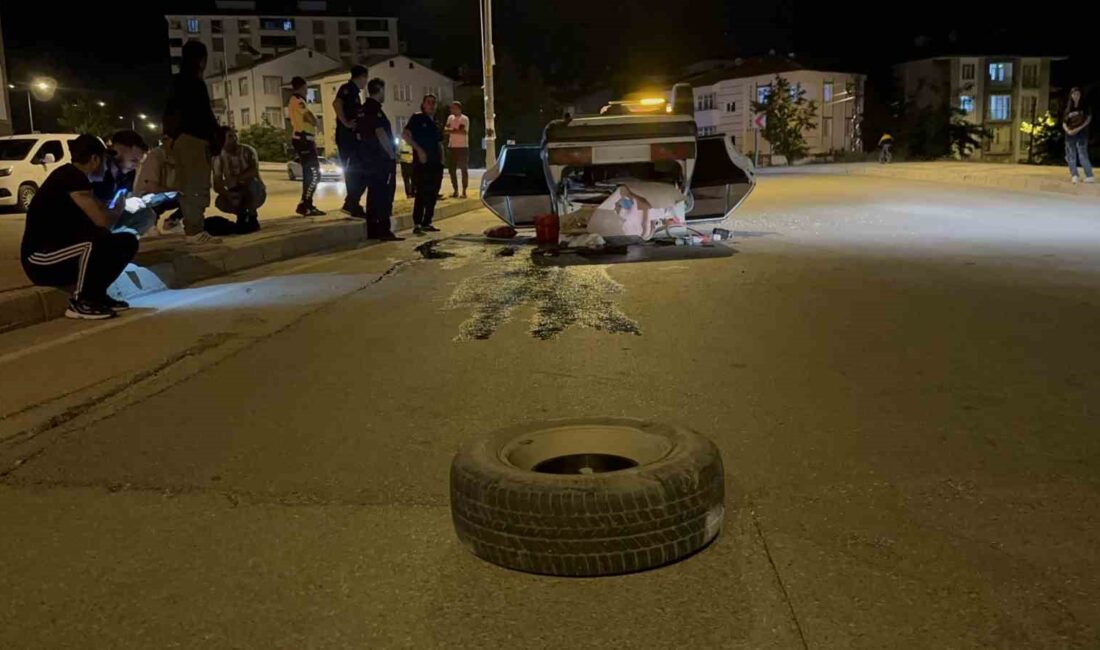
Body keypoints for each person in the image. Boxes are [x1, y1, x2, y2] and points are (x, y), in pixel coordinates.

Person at [20, 134, 138, 320]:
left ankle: (97, 295)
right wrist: (118, 210)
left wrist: (112, 209)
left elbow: (99, 217)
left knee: (127, 241)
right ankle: (83, 301)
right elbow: (102, 221)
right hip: (40, 259)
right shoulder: (70, 177)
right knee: (97, 241)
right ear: (94, 159)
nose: (107, 167)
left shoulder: (79, 180)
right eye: (105, 162)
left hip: (64, 250)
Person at [163, 39, 223, 245]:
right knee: (196, 186)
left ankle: (193, 228)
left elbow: (169, 112)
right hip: (194, 140)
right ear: (201, 59)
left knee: (189, 186)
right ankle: (195, 231)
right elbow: (204, 114)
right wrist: (216, 135)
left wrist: (170, 137)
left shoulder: (176, 82)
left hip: (181, 139)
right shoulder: (194, 82)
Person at [355, 77, 400, 240]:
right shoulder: (375, 110)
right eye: (384, 91)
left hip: (367, 159)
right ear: (380, 90)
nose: (384, 94)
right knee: (384, 194)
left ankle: (372, 230)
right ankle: (384, 230)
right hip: (380, 160)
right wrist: (391, 154)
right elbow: (381, 133)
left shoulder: (362, 109)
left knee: (373, 195)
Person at [92, 129, 157, 237]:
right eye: (134, 160)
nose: (136, 166)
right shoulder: (97, 168)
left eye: (139, 162)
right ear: (118, 150)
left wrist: (131, 201)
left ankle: (123, 243)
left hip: (112, 214)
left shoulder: (128, 173)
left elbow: (123, 196)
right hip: (93, 217)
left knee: (147, 215)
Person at [403, 94, 445, 236]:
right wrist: (419, 150)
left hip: (436, 162)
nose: (432, 105)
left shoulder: (436, 123)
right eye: (429, 102)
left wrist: (442, 160)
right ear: (423, 104)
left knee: (433, 193)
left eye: (434, 103)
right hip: (422, 163)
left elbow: (439, 143)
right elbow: (405, 135)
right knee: (421, 192)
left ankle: (427, 221)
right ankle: (418, 223)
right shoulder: (417, 118)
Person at [212, 126, 265, 233]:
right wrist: (227, 194)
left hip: (252, 188)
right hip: (234, 189)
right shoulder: (218, 157)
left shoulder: (248, 151)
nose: (235, 139)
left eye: (235, 135)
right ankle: (241, 216)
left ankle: (251, 215)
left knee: (252, 186)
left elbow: (253, 171)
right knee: (221, 201)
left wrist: (236, 179)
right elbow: (217, 183)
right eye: (230, 136)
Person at [333, 65, 370, 217]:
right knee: (355, 171)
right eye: (365, 79)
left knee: (360, 171)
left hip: (354, 138)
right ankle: (351, 203)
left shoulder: (354, 92)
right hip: (347, 138)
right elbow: (336, 104)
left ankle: (352, 202)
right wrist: (346, 123)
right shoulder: (347, 89)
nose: (365, 82)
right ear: (361, 77)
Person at [288, 76, 325, 216]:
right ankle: (306, 204)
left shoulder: (297, 101)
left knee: (312, 174)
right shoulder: (298, 101)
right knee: (314, 174)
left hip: (305, 140)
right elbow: (311, 119)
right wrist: (314, 120)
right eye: (306, 87)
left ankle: (306, 204)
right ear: (303, 87)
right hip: (303, 140)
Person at [133, 133, 183, 234]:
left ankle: (172, 221)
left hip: (168, 194)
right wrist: (175, 191)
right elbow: (151, 187)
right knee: (154, 197)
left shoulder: (180, 157)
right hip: (148, 197)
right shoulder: (155, 156)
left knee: (195, 197)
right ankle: (149, 224)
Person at [1063, 86, 1094, 184]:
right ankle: (1074, 175)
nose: (1076, 96)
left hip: (1081, 134)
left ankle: (1089, 175)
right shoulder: (1068, 109)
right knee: (1071, 155)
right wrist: (1068, 130)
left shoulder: (1085, 107)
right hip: (1070, 134)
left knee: (1082, 154)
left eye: (1078, 94)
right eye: (1074, 94)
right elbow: (1064, 122)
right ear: (1071, 95)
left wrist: (1078, 129)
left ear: (1080, 95)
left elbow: (1088, 119)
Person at [444, 101, 470, 198]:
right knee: (452, 169)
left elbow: (462, 131)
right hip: (452, 147)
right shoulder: (450, 118)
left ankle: (464, 191)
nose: (451, 110)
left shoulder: (464, 118)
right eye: (451, 108)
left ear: (459, 108)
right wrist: (454, 130)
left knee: (463, 169)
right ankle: (455, 190)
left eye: (453, 108)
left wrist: (451, 130)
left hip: (462, 147)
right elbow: (445, 130)